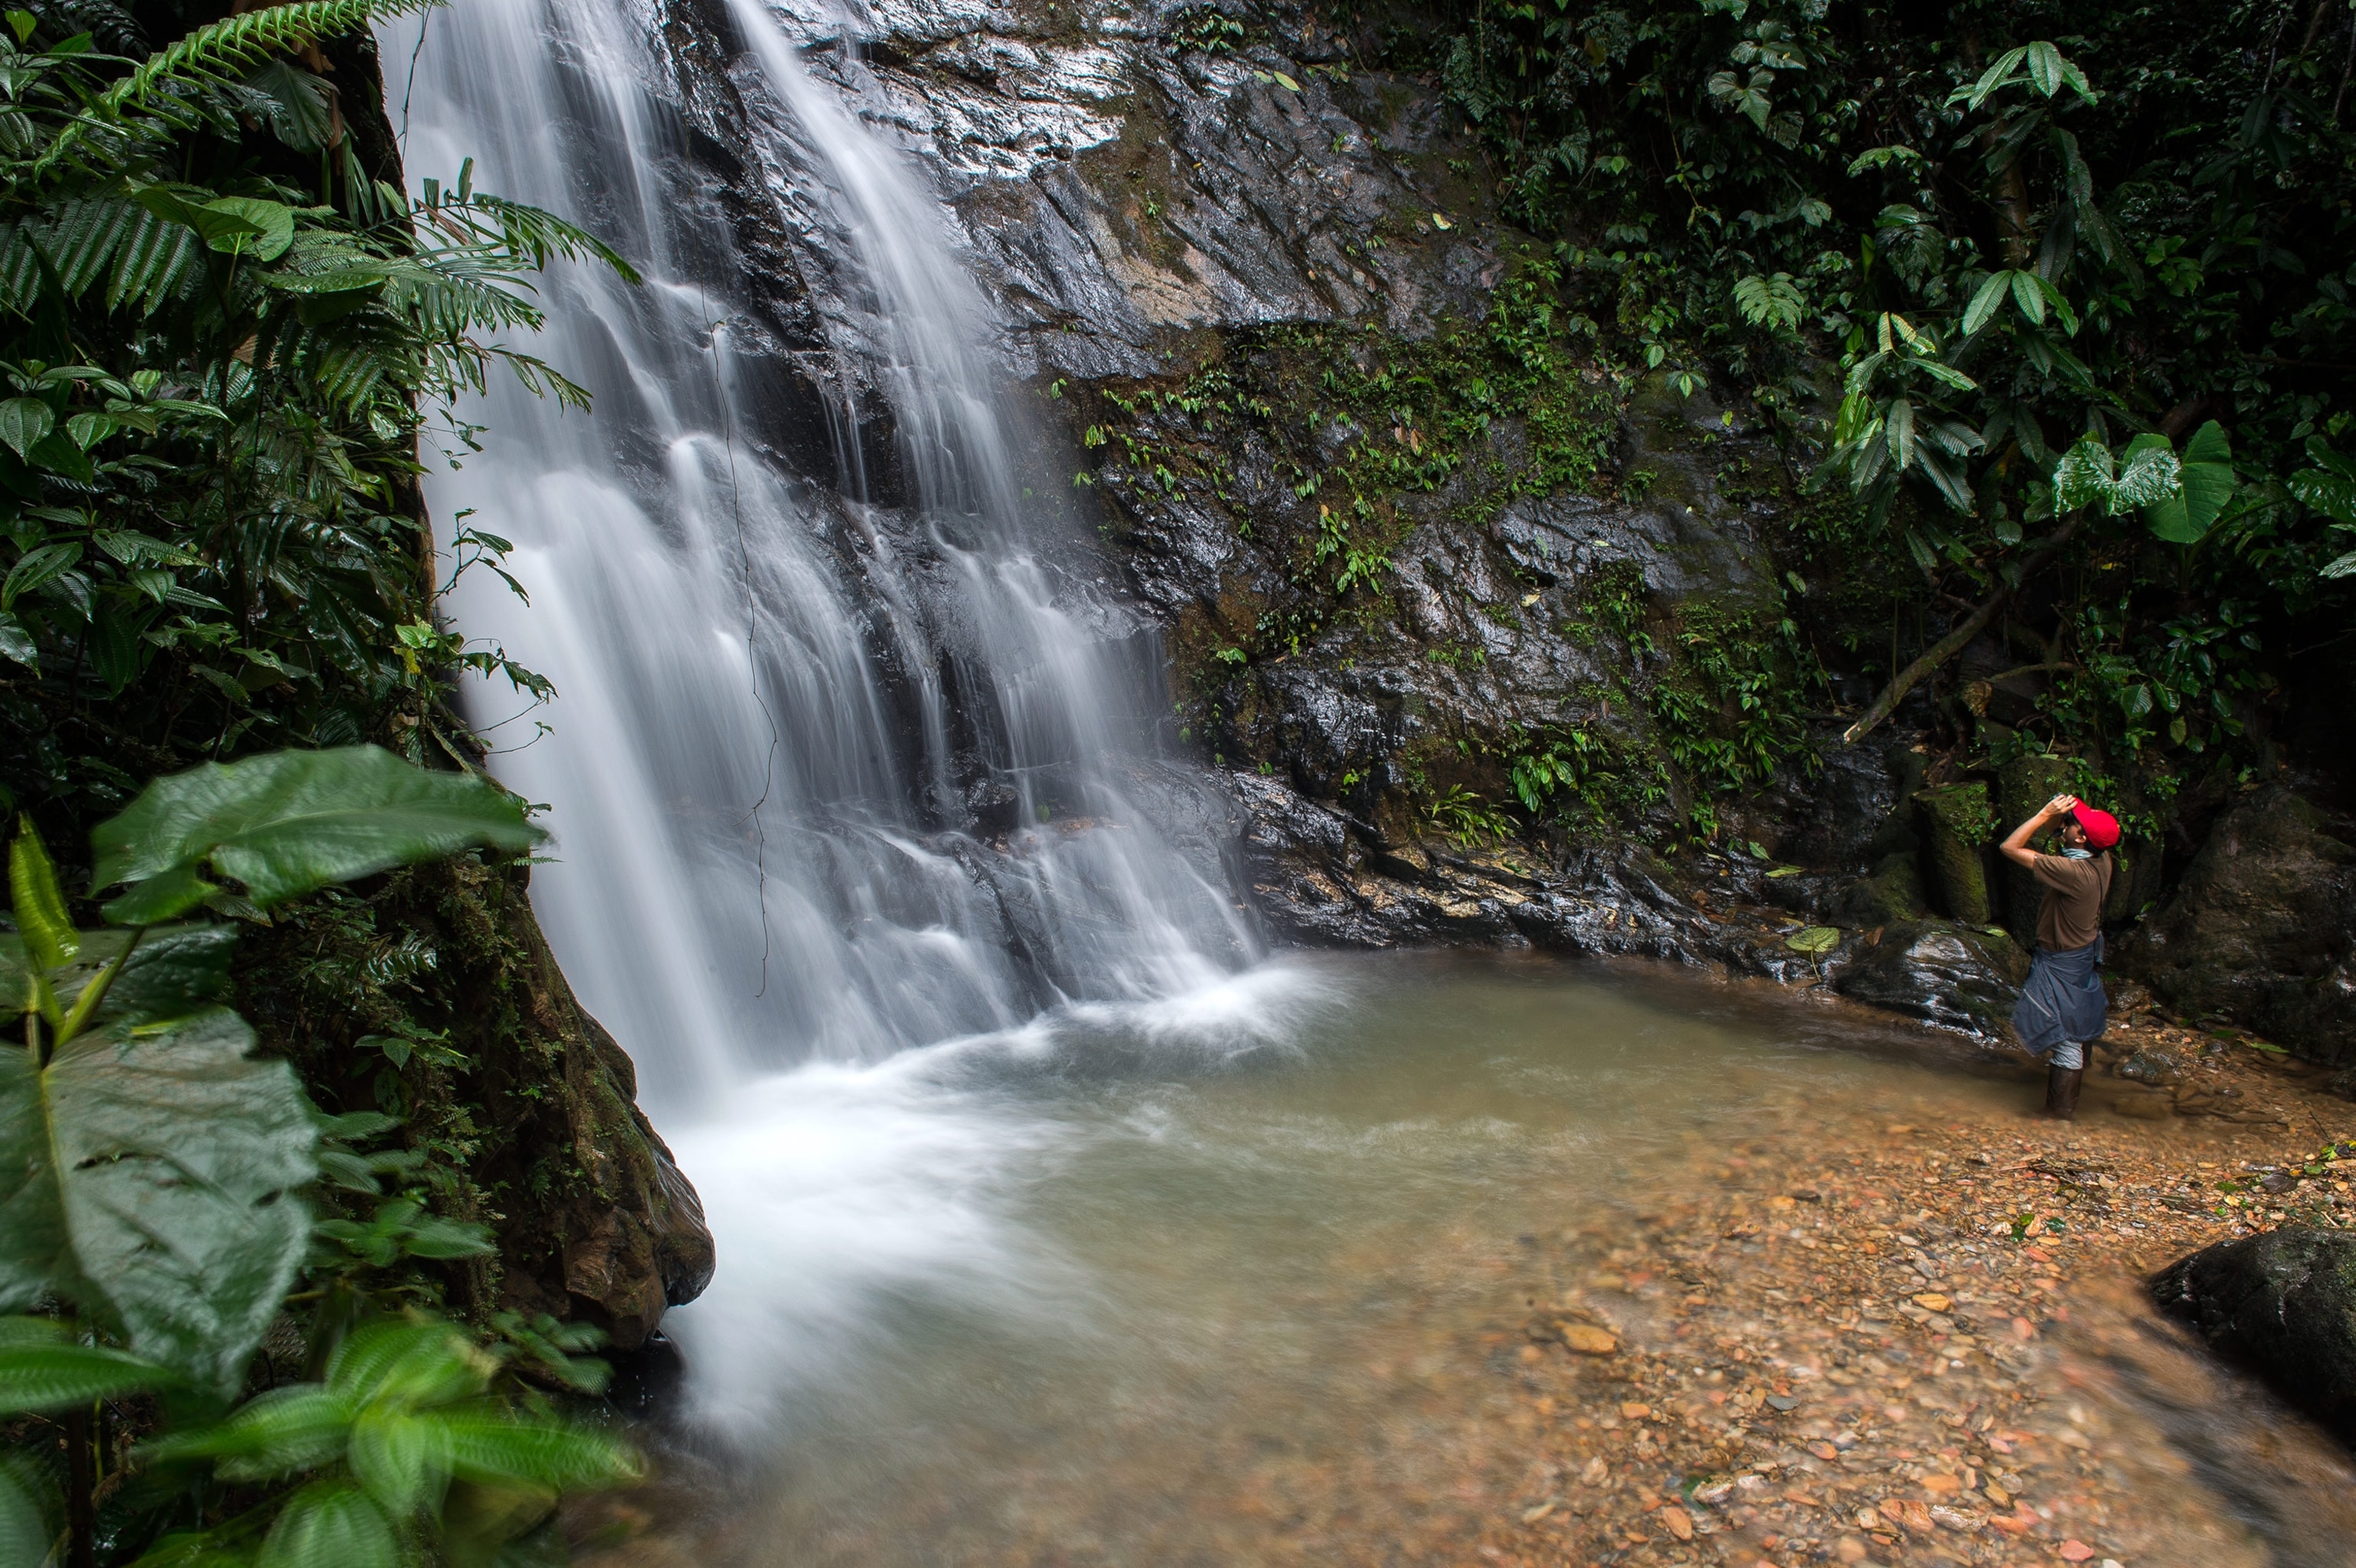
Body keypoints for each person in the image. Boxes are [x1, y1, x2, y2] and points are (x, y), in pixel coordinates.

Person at [1998, 793, 2120, 1119]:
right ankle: (2079, 1075)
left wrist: (2042, 816)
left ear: (2080, 837)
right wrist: (2062, 817)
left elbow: (2009, 848)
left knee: (2065, 1036)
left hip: (2061, 960)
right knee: (2078, 1019)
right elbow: (2067, 839)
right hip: (2080, 954)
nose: (2064, 823)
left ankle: (2058, 1116)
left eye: (2071, 823)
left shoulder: (2071, 872)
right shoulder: (2100, 860)